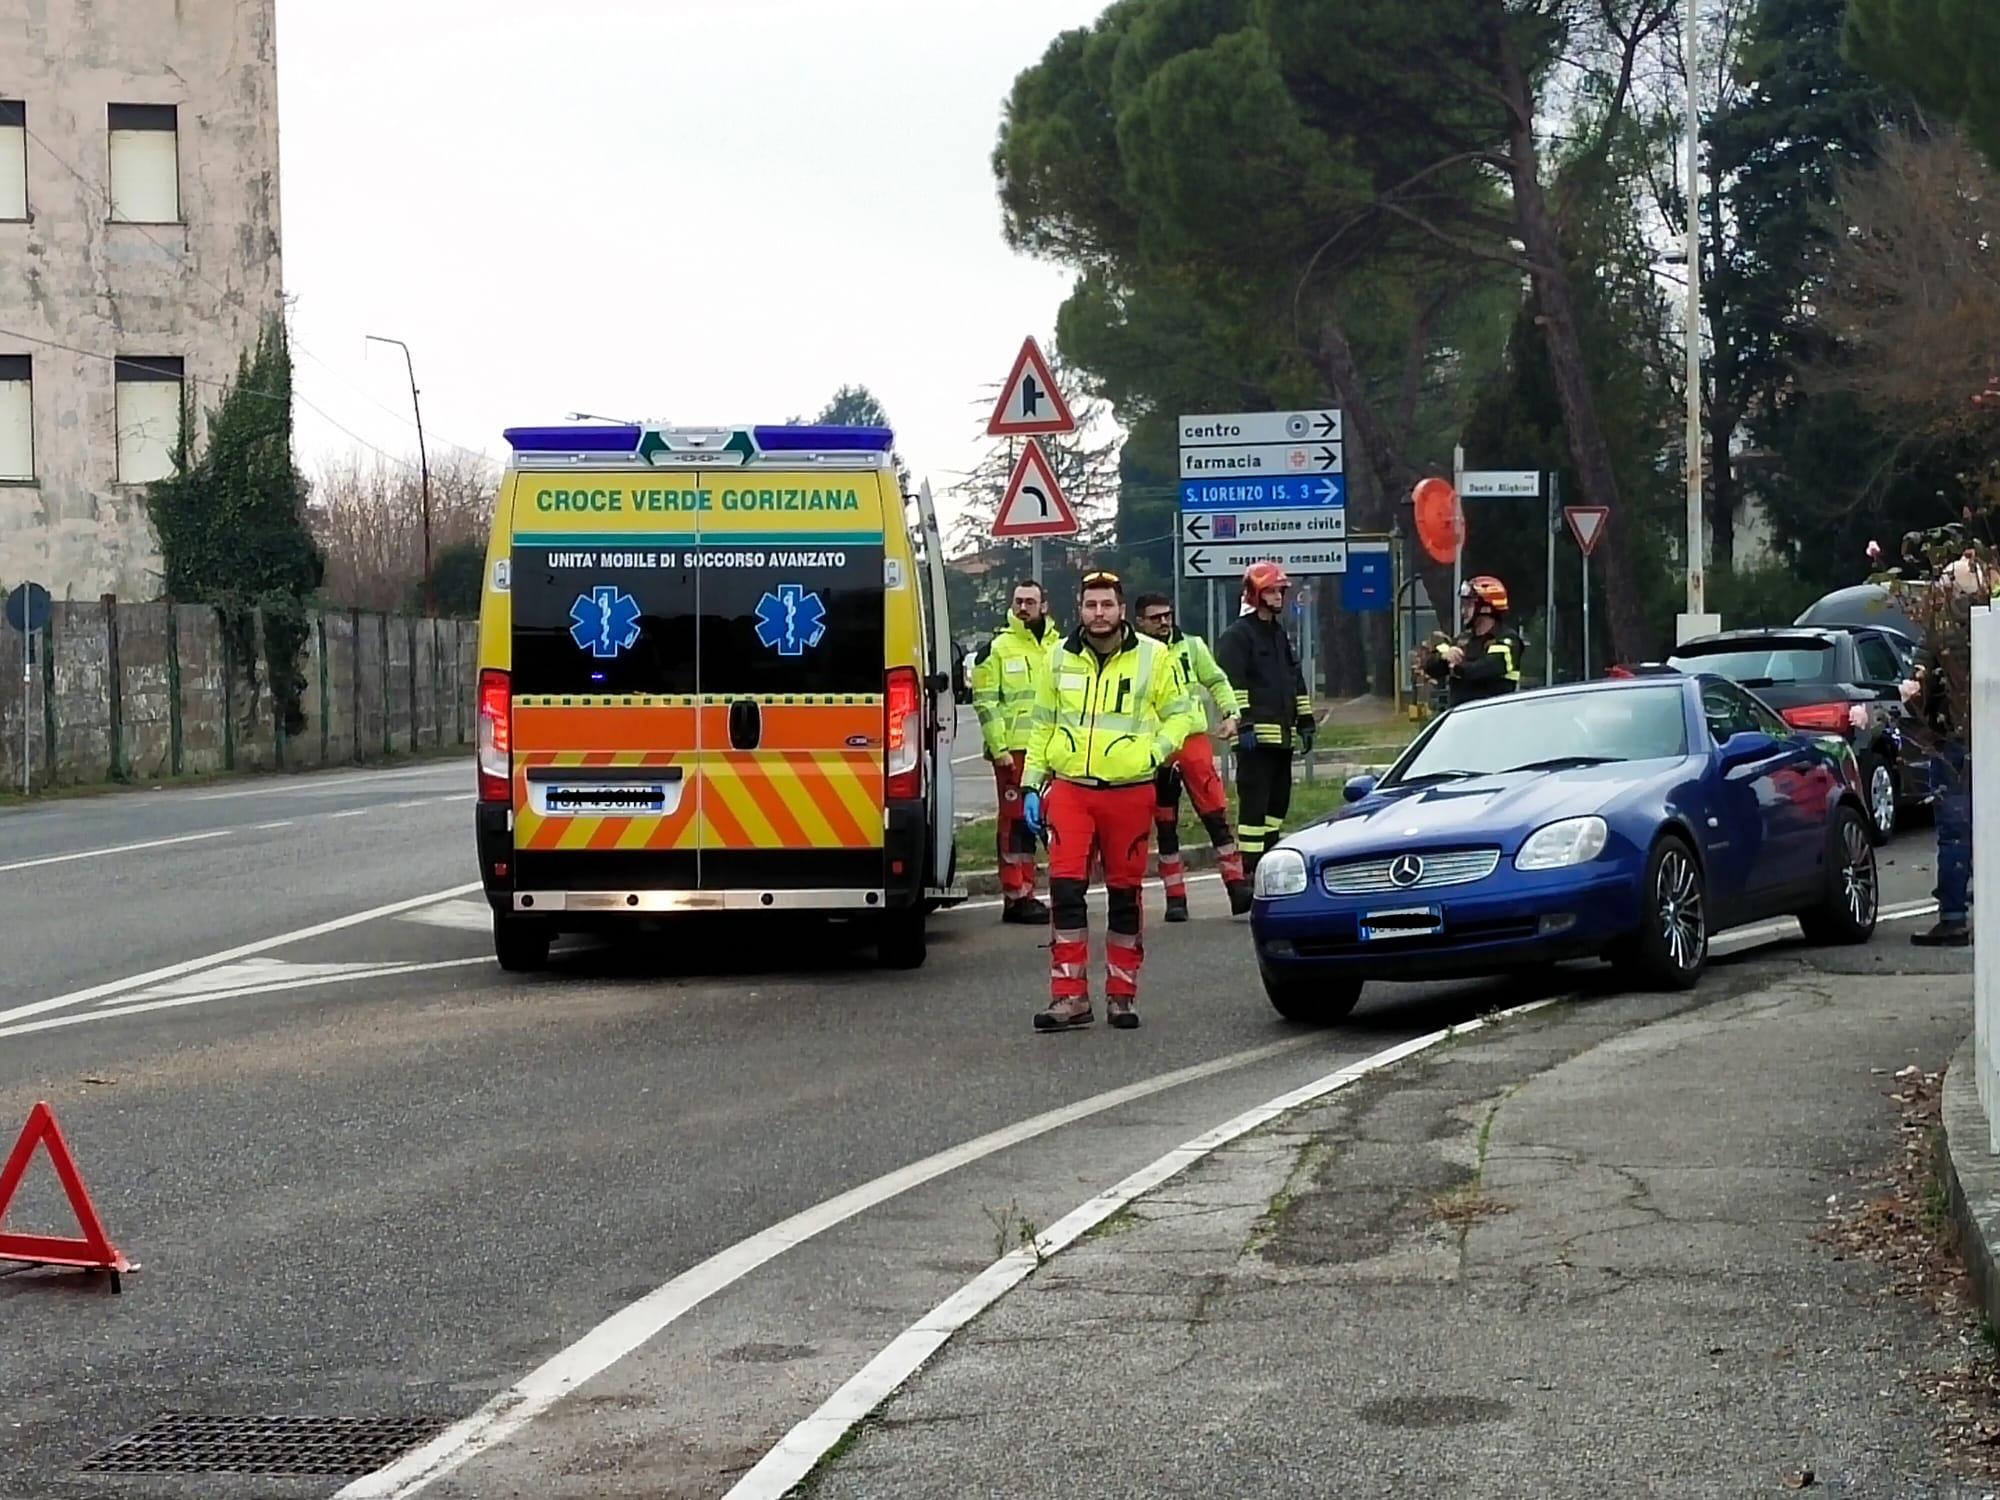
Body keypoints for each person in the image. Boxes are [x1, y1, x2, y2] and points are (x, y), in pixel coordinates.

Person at [1020, 570, 1202, 1031]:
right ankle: (1069, 997)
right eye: (1090, 605)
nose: (1098, 614)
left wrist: (1153, 753)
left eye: (1106, 605)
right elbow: (1042, 724)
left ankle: (1122, 995)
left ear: (1121, 610)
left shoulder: (1155, 657)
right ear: (1078, 610)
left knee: (1125, 895)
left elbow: (1181, 716)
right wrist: (1030, 784)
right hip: (1070, 791)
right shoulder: (1058, 657)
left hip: (1130, 792)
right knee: (1065, 892)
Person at [1133, 593, 1253, 919]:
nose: (1163, 622)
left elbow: (1216, 679)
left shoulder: (1191, 645)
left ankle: (1237, 886)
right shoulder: (1133, 655)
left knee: (1215, 814)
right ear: (1140, 622)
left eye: (1167, 615)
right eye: (1155, 617)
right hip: (1157, 746)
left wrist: (1231, 714)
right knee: (1166, 823)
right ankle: (1175, 898)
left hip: (1194, 741)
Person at [1215, 562, 1316, 884]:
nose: (1278, 597)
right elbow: (1233, 685)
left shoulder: (1277, 634)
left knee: (1277, 804)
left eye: (1280, 591)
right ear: (1255, 594)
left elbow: (1293, 679)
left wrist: (1306, 720)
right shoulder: (1237, 636)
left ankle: (1270, 863)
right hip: (1254, 739)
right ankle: (1251, 872)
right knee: (1254, 810)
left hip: (1281, 737)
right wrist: (1243, 727)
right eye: (1272, 591)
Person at [1900, 556, 1983, 948]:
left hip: (1953, 738)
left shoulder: (1940, 628)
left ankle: (1953, 917)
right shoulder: (1992, 618)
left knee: (1954, 828)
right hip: (1990, 735)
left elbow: (1919, 681)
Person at [968, 580, 1060, 924]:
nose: (1024, 607)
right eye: (1019, 601)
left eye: (1031, 601)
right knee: (1014, 823)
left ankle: (1033, 891)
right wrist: (999, 748)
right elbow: (986, 703)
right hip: (1014, 752)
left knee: (1042, 822)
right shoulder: (996, 648)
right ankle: (1016, 896)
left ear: (1044, 605)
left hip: (1050, 750)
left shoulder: (1057, 646)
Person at [1420, 575, 1524, 706]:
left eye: (1469, 605)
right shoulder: (1463, 639)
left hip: (1493, 719)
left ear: (1485, 607)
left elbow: (1482, 669)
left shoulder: (1507, 640)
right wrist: (1444, 656)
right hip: (1461, 719)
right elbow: (1431, 667)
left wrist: (1454, 665)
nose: (1463, 611)